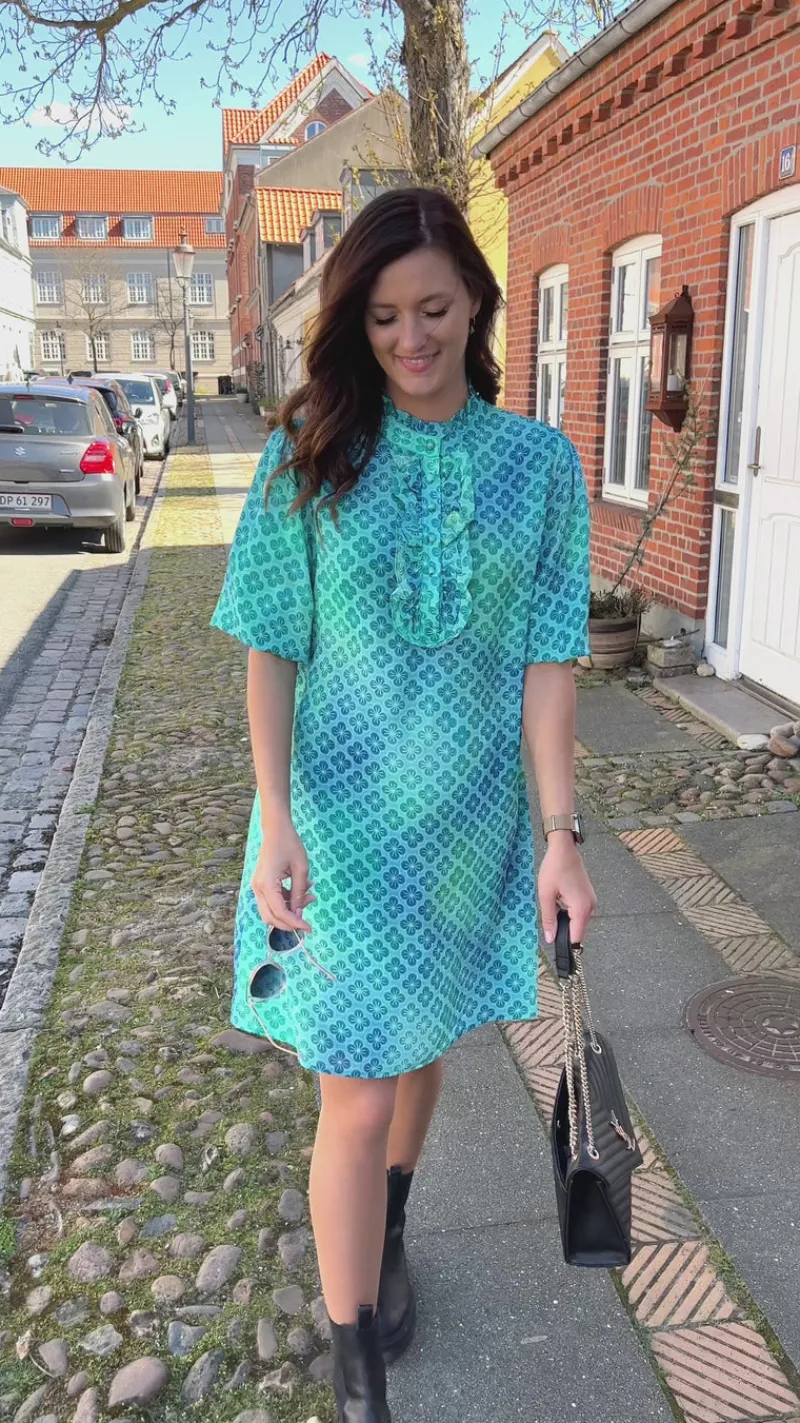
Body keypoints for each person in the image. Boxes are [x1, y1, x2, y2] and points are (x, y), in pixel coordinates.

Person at [211, 186, 597, 1422]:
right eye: (381, 317)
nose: (409, 338)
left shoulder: (539, 466)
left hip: (467, 828)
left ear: (475, 299)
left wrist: (558, 838)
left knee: (423, 1047)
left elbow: (548, 662)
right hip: (334, 824)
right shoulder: (310, 454)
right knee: (357, 1085)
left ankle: (383, 1233)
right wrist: (273, 816)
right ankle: (358, 1370)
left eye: (431, 309)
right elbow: (270, 648)